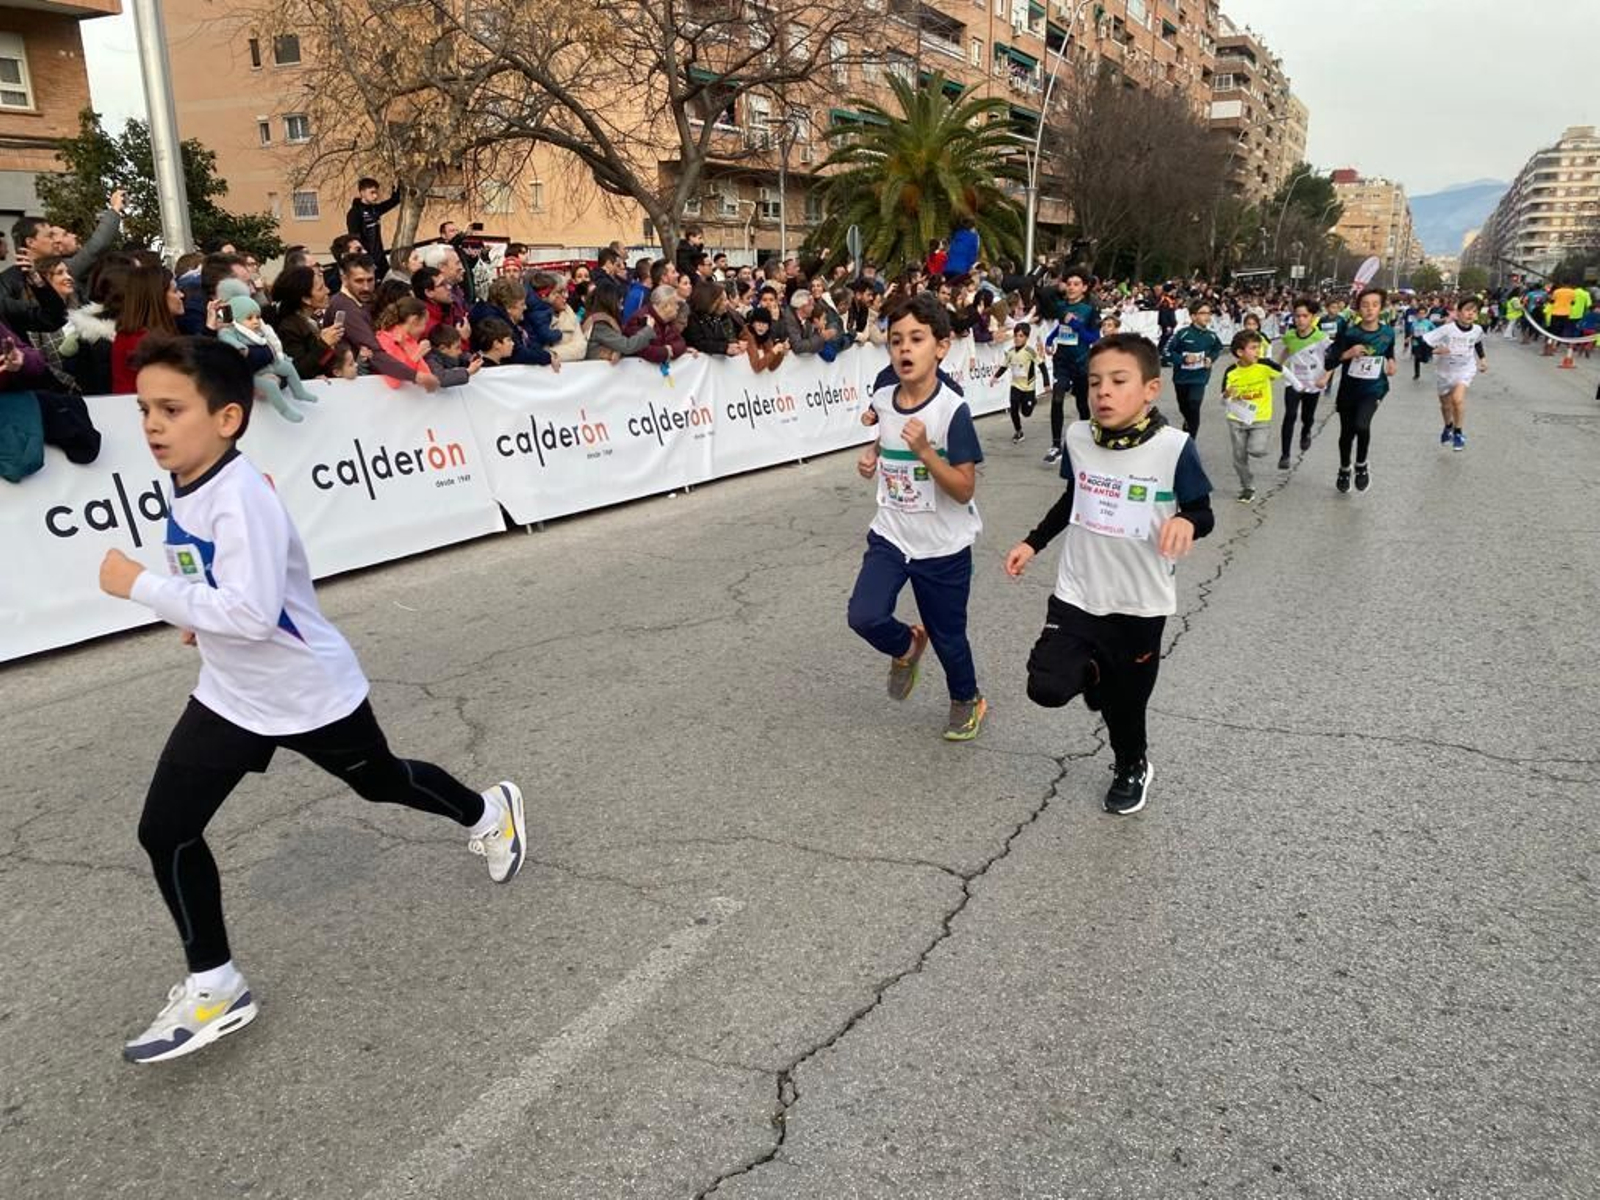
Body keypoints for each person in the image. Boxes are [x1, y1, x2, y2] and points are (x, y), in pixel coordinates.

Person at [95, 336, 525, 1064]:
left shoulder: (239, 499)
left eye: (171, 409)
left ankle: (488, 811)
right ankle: (216, 984)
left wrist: (137, 584)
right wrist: (202, 620)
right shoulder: (190, 481)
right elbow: (230, 593)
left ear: (227, 418)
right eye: (144, 410)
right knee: (165, 830)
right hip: (233, 697)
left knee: (383, 784)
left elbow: (257, 614)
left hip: (308, 693)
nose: (153, 426)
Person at [1003, 333, 1214, 815]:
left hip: (1140, 603)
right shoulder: (1078, 437)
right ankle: (1093, 674)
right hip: (1078, 591)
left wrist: (1186, 520)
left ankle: (1131, 765)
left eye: (1119, 381)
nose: (1103, 392)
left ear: (1150, 389)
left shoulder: (1174, 448)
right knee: (1048, 687)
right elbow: (1071, 499)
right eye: (1096, 382)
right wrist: (1031, 542)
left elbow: (1203, 511)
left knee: (1126, 706)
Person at [848, 291, 987, 743]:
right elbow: (888, 439)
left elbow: (965, 487)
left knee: (950, 638)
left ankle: (967, 699)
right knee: (864, 616)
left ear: (941, 347)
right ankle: (907, 645)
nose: (905, 349)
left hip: (942, 545)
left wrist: (926, 451)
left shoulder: (952, 410)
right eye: (896, 341)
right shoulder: (885, 398)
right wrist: (871, 455)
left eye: (917, 339)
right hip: (892, 532)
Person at [1321, 286, 1396, 494]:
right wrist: (1349, 353)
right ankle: (1345, 468)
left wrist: (1391, 362)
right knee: (1346, 433)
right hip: (1349, 390)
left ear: (1381, 308)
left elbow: (1389, 352)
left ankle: (1361, 465)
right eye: (1365, 305)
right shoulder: (1350, 332)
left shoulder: (1387, 332)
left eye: (1374, 305)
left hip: (1374, 388)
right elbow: (1330, 360)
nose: (1370, 309)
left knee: (1362, 425)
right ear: (1358, 308)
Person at [217, 294, 319, 421]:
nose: (255, 321)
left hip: (268, 365)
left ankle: (299, 392)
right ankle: (284, 410)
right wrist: (239, 347)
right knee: (270, 386)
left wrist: (283, 357)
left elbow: (271, 346)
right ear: (236, 319)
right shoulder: (232, 331)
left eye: (257, 317)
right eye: (249, 318)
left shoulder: (259, 332)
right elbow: (225, 337)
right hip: (251, 374)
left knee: (288, 367)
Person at [1218, 330, 1282, 503]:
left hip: (1260, 418)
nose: (1258, 352)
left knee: (1256, 449)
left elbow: (1283, 372)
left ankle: (1257, 448)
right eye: (1253, 348)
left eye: (1259, 347)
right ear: (1240, 352)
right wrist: (1227, 395)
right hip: (1236, 418)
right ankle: (1247, 487)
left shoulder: (1264, 366)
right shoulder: (1231, 372)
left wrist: (1300, 385)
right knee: (1239, 458)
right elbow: (1223, 399)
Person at [1043, 267, 1099, 462]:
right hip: (1062, 363)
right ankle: (1056, 445)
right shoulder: (1061, 306)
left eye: (1076, 284)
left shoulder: (1090, 310)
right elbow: (1060, 327)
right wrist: (1049, 340)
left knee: (1082, 403)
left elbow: (1093, 337)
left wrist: (1077, 326)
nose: (1072, 288)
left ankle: (1088, 439)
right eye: (1069, 284)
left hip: (1081, 363)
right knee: (1057, 396)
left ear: (1084, 288)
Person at [1423, 297, 1487, 452]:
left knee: (1457, 400)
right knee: (1445, 406)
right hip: (1444, 372)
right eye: (1467, 310)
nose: (1470, 314)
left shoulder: (1477, 329)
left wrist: (1483, 359)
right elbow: (1423, 343)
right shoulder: (1447, 329)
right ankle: (1448, 427)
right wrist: (1436, 350)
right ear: (1458, 313)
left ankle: (1458, 433)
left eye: (1474, 312)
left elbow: (1477, 342)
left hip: (1465, 369)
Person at [112, 265, 183, 395]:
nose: (181, 295)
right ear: (158, 297)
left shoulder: (131, 336)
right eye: (175, 291)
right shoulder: (147, 343)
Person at [1274, 297, 1328, 467]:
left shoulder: (1321, 337)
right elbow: (1286, 351)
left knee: (1307, 416)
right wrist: (1276, 367)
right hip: (1294, 382)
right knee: (1290, 415)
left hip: (1313, 383)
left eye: (1305, 316)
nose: (1300, 320)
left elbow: (1332, 359)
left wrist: (1325, 378)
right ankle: (1285, 455)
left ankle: (1306, 432)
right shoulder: (1290, 336)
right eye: (1297, 316)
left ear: (1312, 317)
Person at [270, 266, 343, 382]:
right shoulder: (289, 328)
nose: (327, 291)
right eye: (320, 288)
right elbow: (297, 370)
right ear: (306, 299)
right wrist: (324, 344)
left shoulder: (310, 320)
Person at [1161, 300, 1223, 435]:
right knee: (1185, 407)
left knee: (1194, 405)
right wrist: (1183, 359)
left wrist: (1211, 358)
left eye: (1209, 313)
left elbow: (1218, 348)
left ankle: (1190, 440)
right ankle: (1188, 422)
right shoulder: (1182, 334)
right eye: (1203, 313)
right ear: (1193, 316)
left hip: (1200, 377)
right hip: (1182, 378)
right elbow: (1166, 352)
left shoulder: (1211, 336)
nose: (1207, 316)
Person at [582, 286, 655, 362]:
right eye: (619, 303)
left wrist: (617, 351)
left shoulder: (596, 320)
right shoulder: (599, 326)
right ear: (610, 302)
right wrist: (648, 330)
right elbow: (627, 346)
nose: (622, 308)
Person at [997, 321, 1041, 444]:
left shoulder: (1030, 351)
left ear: (1026, 338)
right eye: (1016, 335)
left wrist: (1047, 383)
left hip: (1028, 387)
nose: (1017, 338)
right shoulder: (1010, 352)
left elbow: (1042, 366)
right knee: (1014, 407)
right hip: (1015, 385)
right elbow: (1004, 366)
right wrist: (995, 377)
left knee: (1026, 413)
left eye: (1021, 336)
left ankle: (1032, 401)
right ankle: (1018, 431)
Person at [683, 280, 745, 356]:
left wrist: (736, 344)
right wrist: (724, 348)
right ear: (713, 302)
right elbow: (699, 343)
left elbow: (726, 338)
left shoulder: (721, 317)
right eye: (724, 300)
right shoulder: (692, 318)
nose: (727, 303)